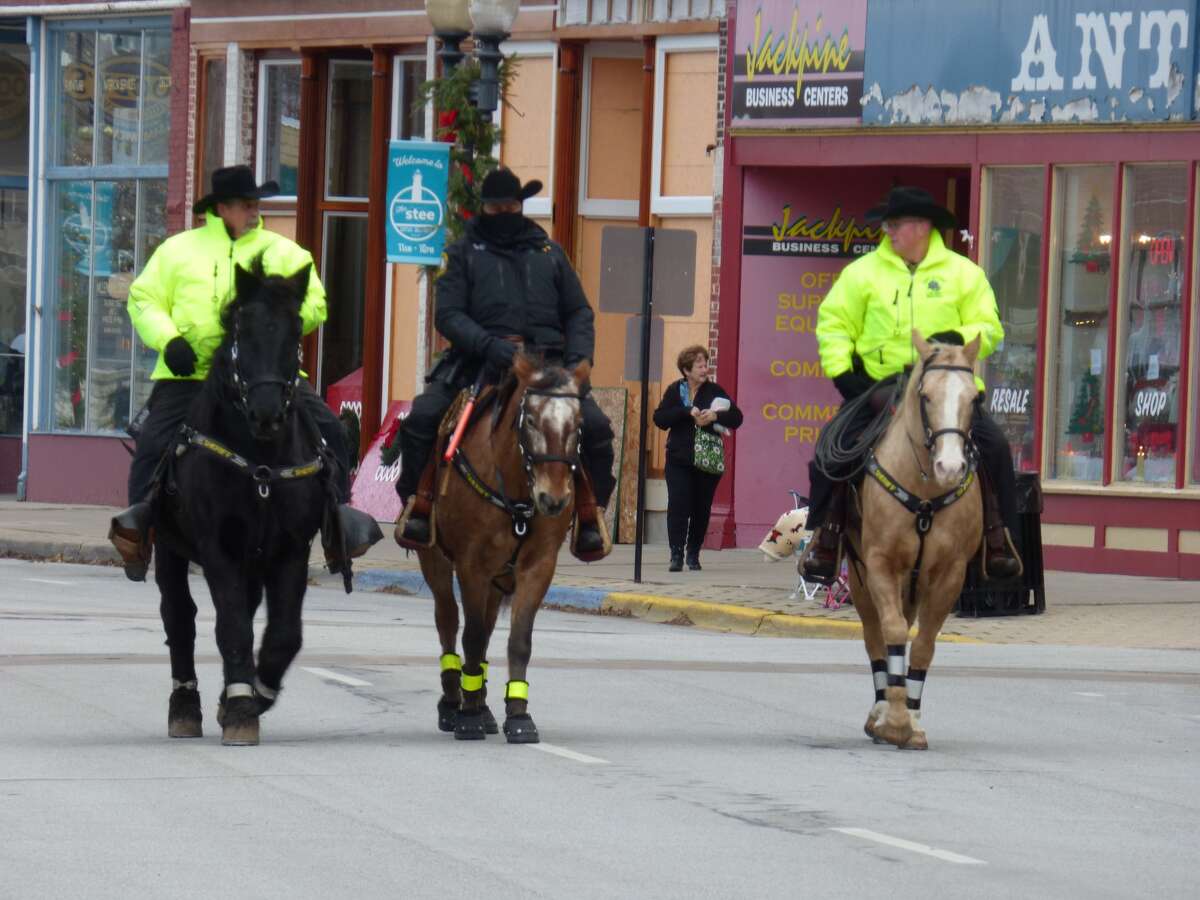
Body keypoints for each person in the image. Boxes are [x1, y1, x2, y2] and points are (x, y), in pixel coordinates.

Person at [109, 165, 378, 581]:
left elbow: (316, 304)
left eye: (256, 204)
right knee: (154, 444)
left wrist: (279, 321)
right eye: (245, 204)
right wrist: (169, 340)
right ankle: (140, 529)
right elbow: (144, 300)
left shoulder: (285, 253)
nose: (254, 211)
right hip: (192, 374)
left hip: (267, 376)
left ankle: (337, 522)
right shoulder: (177, 250)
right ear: (221, 208)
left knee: (331, 431)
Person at [801, 185, 1022, 583]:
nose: (888, 232)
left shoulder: (963, 273)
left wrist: (956, 340)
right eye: (888, 225)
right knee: (830, 452)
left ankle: (997, 537)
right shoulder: (862, 273)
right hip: (879, 385)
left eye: (895, 225)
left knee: (996, 448)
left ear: (921, 227)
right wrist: (843, 373)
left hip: (946, 384)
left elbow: (988, 326)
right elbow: (833, 323)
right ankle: (825, 537)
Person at [395, 168, 614, 558]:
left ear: (520, 206)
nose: (505, 212)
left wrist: (578, 361)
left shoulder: (550, 253)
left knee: (595, 427)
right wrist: (489, 345)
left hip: (548, 365)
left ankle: (588, 513)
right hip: (481, 362)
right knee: (423, 418)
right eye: (497, 207)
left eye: (511, 206)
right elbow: (448, 314)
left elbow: (579, 312)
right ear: (485, 209)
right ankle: (419, 502)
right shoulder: (461, 253)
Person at [653, 345, 742, 571]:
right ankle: (676, 553)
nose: (705, 369)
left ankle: (693, 552)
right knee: (678, 505)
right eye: (699, 366)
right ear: (686, 370)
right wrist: (685, 412)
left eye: (706, 364)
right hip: (678, 459)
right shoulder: (676, 390)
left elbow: (737, 417)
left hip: (707, 461)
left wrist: (715, 415)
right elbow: (660, 418)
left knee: (701, 508)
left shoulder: (714, 390)